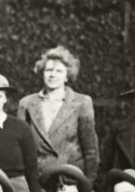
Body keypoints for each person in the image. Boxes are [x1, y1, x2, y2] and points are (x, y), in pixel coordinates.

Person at [17, 46, 100, 180]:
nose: (52, 75)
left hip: (70, 181)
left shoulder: (82, 102)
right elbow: (20, 148)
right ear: (42, 73)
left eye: (59, 71)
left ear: (67, 76)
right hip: (38, 179)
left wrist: (90, 183)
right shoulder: (26, 104)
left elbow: (90, 151)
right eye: (49, 70)